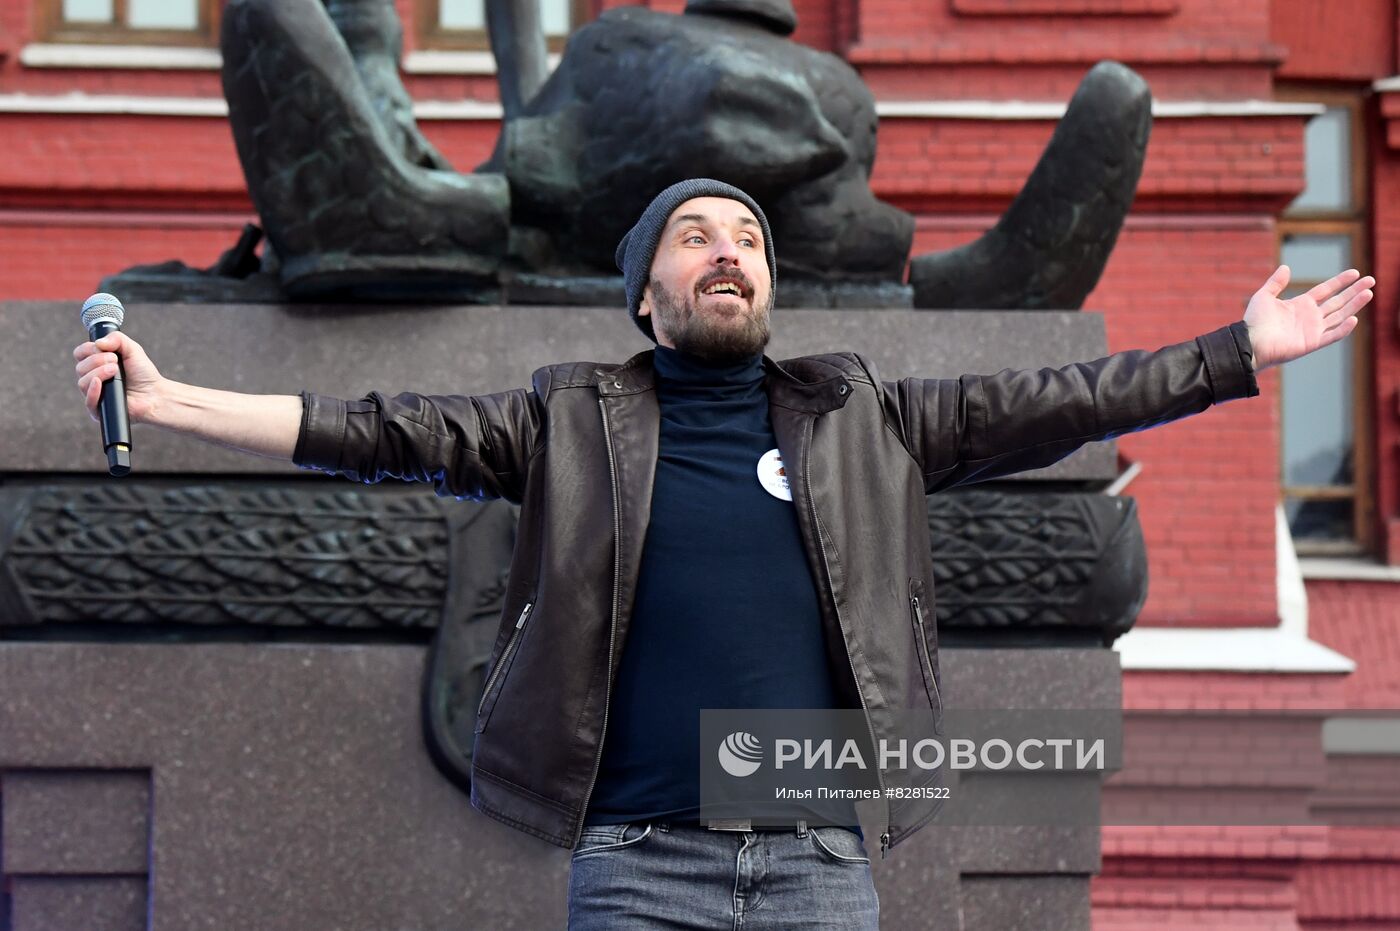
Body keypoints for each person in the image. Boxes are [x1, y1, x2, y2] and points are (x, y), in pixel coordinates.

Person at [73, 179, 1375, 930]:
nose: (730, 254)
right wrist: (172, 399)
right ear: (647, 292)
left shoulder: (863, 417)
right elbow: (376, 431)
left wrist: (1235, 355)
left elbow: (1062, 401)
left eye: (748, 240)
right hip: (638, 867)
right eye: (697, 237)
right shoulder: (570, 421)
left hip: (818, 866)